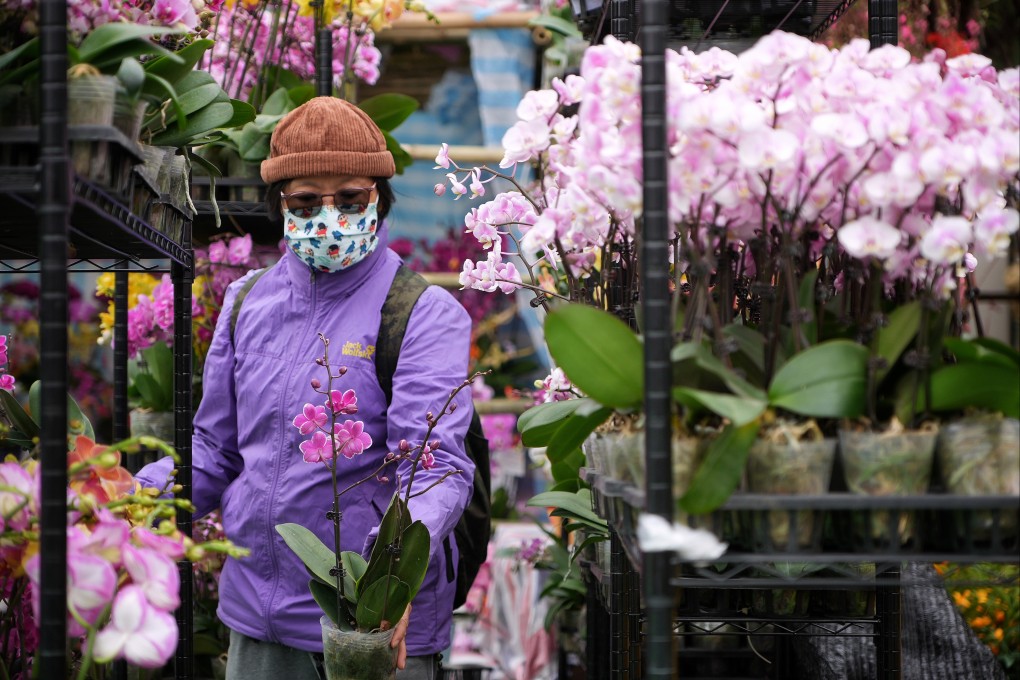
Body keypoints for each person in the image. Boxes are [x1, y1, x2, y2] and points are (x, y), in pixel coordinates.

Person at [136, 96, 475, 680]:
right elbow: (215, 450)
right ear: (281, 205)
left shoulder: (420, 313)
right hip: (256, 620)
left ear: (379, 198)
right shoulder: (246, 302)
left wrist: (387, 582)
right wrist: (132, 506)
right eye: (305, 200)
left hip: (366, 628)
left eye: (350, 198)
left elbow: (434, 463)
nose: (329, 215)